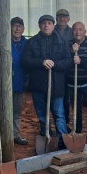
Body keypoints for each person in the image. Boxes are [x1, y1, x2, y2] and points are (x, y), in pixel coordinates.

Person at [22, 14, 73, 150]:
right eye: (43, 23)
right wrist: (41, 62)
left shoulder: (61, 42)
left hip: (56, 87)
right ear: (39, 25)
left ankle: (63, 141)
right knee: (42, 116)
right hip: (38, 86)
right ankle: (47, 138)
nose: (46, 26)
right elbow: (26, 61)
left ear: (53, 25)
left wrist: (55, 64)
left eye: (49, 23)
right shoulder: (32, 42)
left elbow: (68, 61)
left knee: (59, 115)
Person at [11, 16, 28, 145]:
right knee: (5, 111)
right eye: (14, 26)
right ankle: (4, 136)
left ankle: (15, 134)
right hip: (6, 83)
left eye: (19, 26)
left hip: (20, 82)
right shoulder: (4, 42)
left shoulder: (27, 43)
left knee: (16, 110)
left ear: (23, 29)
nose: (17, 28)